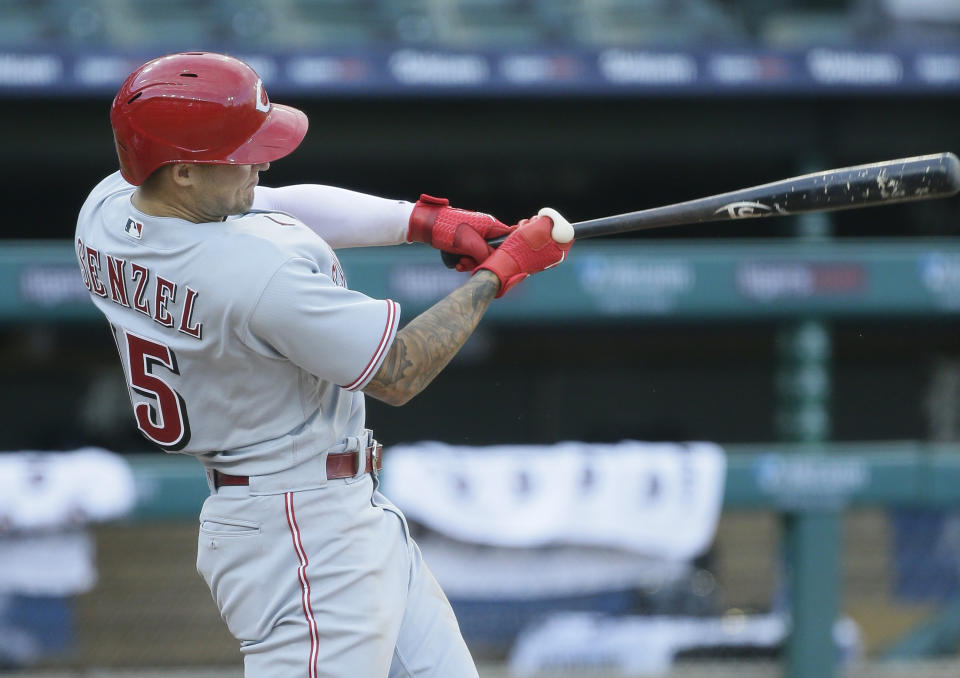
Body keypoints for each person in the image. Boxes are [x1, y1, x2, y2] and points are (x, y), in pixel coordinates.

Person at [74, 52, 573, 677]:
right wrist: (502, 273)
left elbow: (272, 201)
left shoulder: (109, 208)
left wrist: (422, 222)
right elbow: (398, 370)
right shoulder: (253, 277)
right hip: (301, 529)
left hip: (322, 508)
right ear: (181, 172)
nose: (261, 159)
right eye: (241, 150)